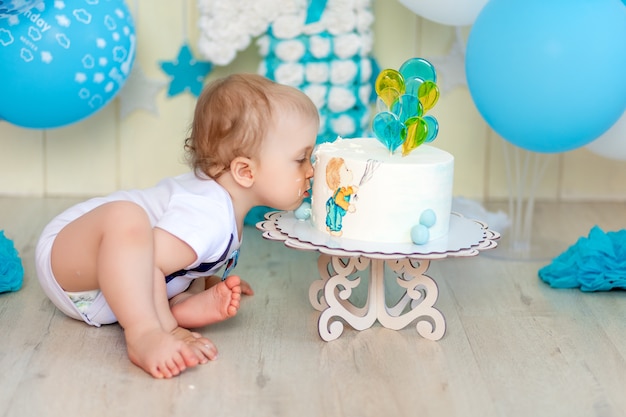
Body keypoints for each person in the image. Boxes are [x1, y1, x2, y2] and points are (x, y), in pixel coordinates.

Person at [35, 73, 320, 379]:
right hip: (68, 255)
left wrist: (208, 282)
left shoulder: (225, 211)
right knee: (127, 217)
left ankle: (181, 305)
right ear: (245, 171)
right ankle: (144, 332)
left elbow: (176, 264)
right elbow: (149, 263)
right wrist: (166, 332)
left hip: (111, 288)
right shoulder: (207, 213)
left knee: (178, 265)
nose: (311, 170)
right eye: (301, 159)